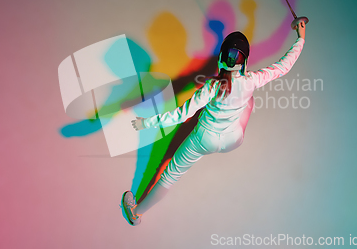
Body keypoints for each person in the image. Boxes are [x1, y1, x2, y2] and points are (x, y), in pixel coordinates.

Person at [121, 21, 306, 226]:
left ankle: (136, 213)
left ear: (221, 58)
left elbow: (182, 116)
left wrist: (146, 123)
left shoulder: (210, 87)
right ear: (243, 62)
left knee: (170, 174)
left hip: (204, 140)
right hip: (233, 139)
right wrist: (301, 37)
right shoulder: (251, 80)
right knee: (249, 100)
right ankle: (237, 112)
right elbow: (283, 66)